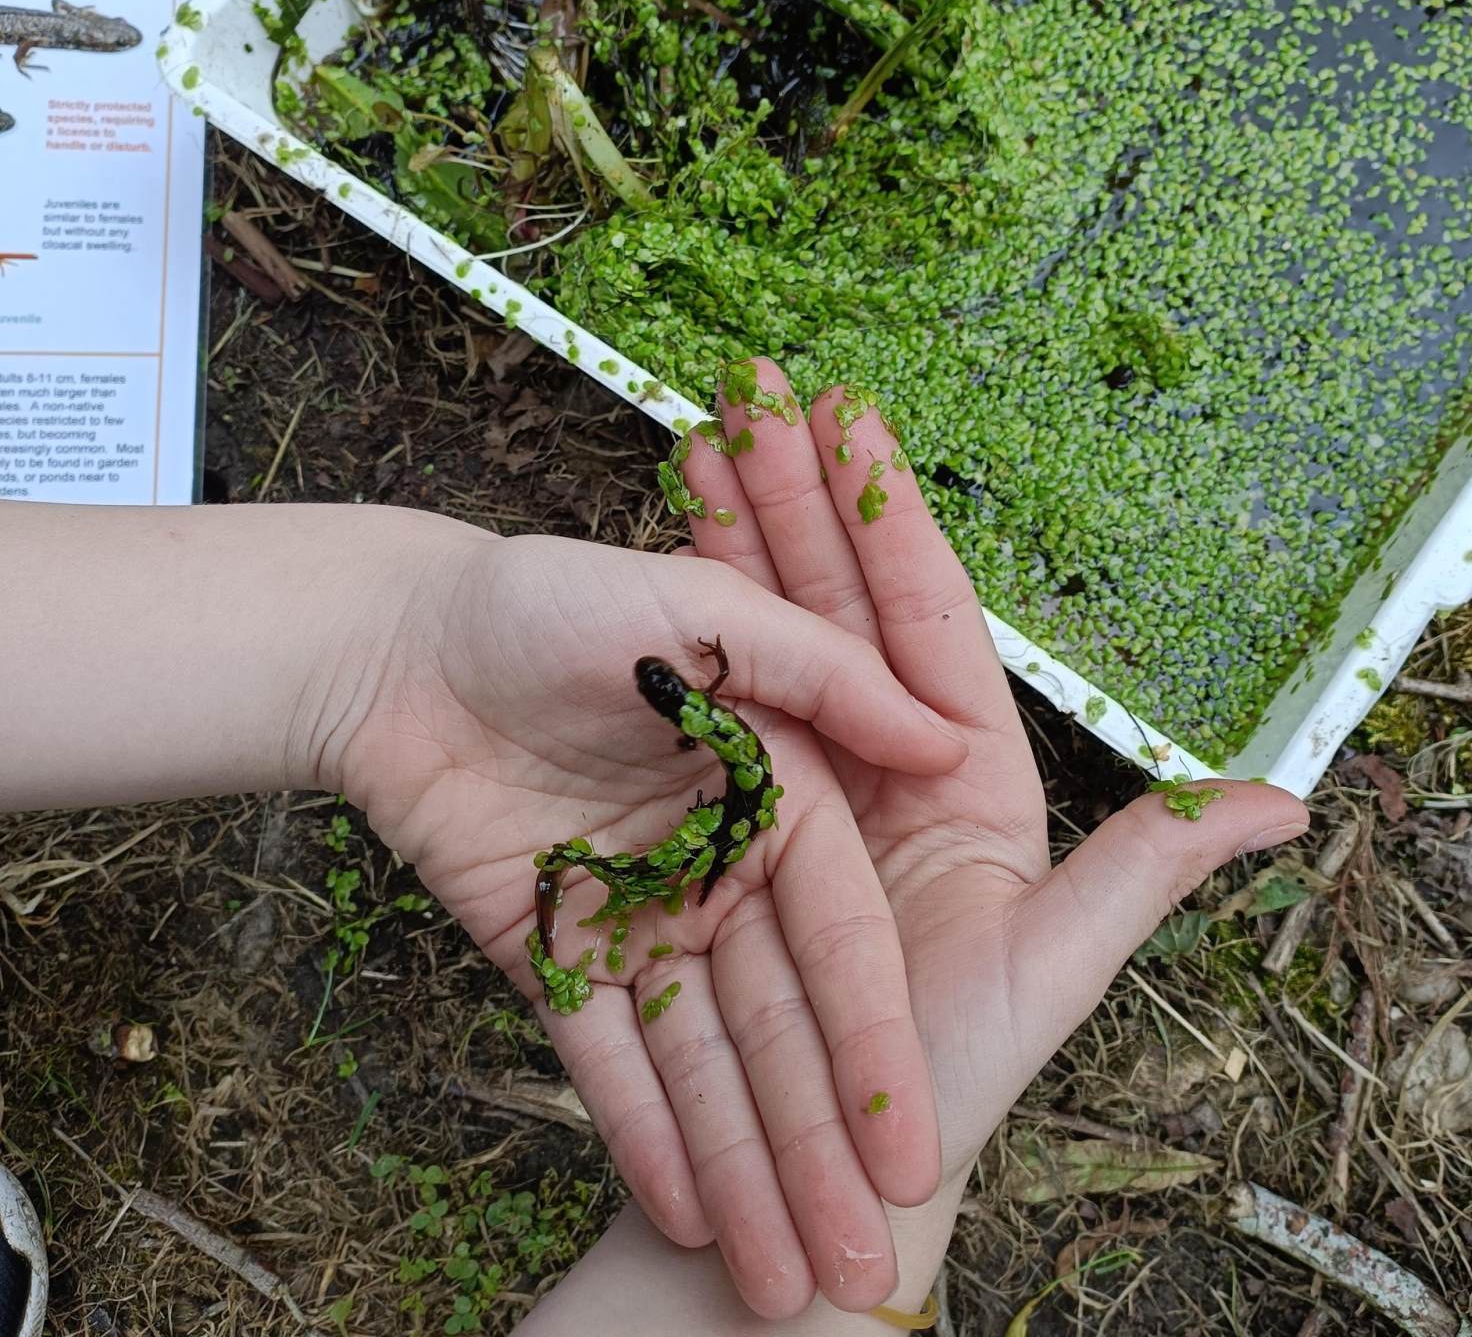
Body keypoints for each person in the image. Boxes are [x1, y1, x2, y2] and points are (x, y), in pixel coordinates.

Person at [0, 357, 1306, 1332]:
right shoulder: (700, 751)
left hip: (717, 815)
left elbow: (732, 778)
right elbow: (722, 768)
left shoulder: (711, 754)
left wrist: (405, 641)